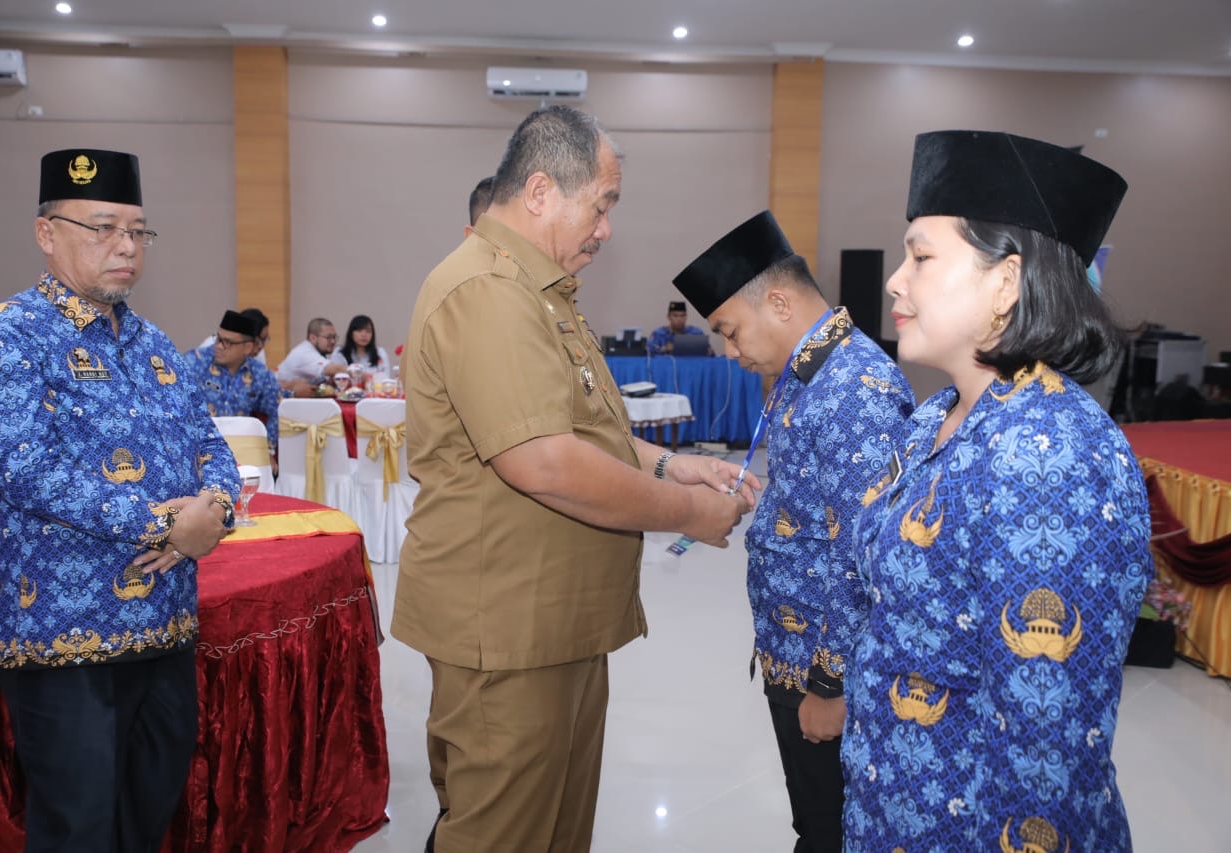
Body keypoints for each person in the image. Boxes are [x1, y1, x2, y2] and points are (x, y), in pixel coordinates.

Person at [393, 104, 757, 853]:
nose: (607, 229)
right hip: (506, 627)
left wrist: (670, 462)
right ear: (539, 192)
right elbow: (547, 463)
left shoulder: (538, 291)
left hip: (550, 620)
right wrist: (687, 512)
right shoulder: (487, 291)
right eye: (602, 204)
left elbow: (582, 430)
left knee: (555, 831)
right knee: (502, 835)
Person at [841, 131, 1152, 849]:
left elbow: (1046, 750)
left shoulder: (1052, 456)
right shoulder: (935, 417)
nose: (895, 281)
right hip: (891, 808)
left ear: (1007, 281)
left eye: (921, 257)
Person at [0, 147, 238, 850]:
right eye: (103, 228)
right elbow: (24, 469)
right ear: (46, 233)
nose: (126, 247)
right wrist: (165, 523)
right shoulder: (5, 336)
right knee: (76, 829)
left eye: (137, 231)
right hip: (62, 634)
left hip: (164, 628)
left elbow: (212, 445)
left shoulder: (155, 344)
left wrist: (217, 508)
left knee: (147, 816)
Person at [672, 211, 915, 853]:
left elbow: (866, 554)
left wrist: (829, 685)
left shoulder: (853, 389)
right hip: (794, 647)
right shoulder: (808, 372)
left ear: (778, 302)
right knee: (816, 818)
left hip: (823, 666)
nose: (730, 352)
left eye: (730, 331)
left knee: (831, 829)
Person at [185, 309, 282, 475]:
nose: (218, 346)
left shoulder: (259, 374)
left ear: (248, 347)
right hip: (199, 447)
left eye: (227, 342)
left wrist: (268, 450)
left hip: (241, 450)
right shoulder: (195, 362)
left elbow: (276, 408)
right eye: (218, 339)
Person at [277, 316, 345, 396]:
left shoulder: (319, 353)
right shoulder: (304, 352)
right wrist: (356, 371)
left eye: (334, 337)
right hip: (280, 398)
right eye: (328, 337)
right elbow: (333, 369)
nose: (333, 341)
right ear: (313, 338)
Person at [197, 306, 271, 364]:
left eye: (265, 340)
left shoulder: (258, 353)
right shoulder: (212, 347)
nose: (261, 346)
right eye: (260, 340)